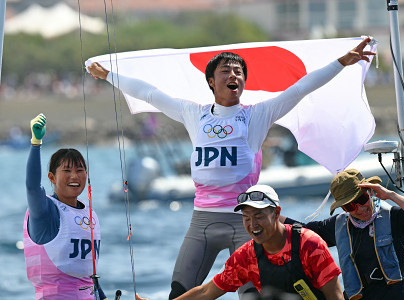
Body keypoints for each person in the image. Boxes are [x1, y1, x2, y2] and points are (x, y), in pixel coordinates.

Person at [88, 38, 375, 298]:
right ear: (211, 81)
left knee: (251, 296)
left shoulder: (257, 115)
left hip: (246, 223)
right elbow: (149, 93)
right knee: (178, 294)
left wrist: (342, 62)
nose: (234, 75)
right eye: (226, 71)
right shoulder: (194, 114)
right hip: (201, 223)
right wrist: (108, 75)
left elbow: (300, 88)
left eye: (238, 72)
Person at [136, 184, 344, 300]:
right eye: (246, 218)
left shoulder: (309, 244)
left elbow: (335, 297)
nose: (253, 224)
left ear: (277, 213)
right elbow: (206, 291)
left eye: (259, 216)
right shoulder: (246, 257)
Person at [282, 168, 404, 299]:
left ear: (370, 192)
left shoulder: (392, 216)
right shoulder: (338, 225)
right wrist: (272, 217)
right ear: (343, 208)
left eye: (361, 199)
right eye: (350, 206)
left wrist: (391, 195)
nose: (359, 209)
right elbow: (301, 232)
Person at [24, 113, 107, 299]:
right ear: (52, 177)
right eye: (67, 171)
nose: (74, 177)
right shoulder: (46, 212)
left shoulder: (89, 213)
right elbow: (31, 186)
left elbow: (88, 276)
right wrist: (36, 142)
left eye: (80, 170)